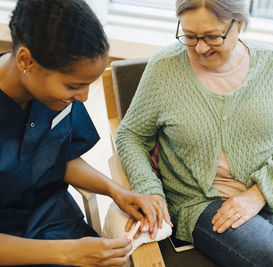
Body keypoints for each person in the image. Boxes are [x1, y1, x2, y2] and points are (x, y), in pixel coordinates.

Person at [116, 0, 273, 266]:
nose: (199, 47)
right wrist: (149, 190)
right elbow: (130, 135)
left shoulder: (272, 64)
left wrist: (259, 194)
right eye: (189, 36)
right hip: (200, 201)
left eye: (212, 37)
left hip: (269, 193)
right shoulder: (164, 69)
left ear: (239, 25)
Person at [0, 0, 164, 266]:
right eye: (73, 85)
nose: (85, 98)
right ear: (26, 61)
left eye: (90, 84)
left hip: (58, 223)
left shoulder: (54, 97)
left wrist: (115, 191)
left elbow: (58, 156)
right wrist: (69, 253)